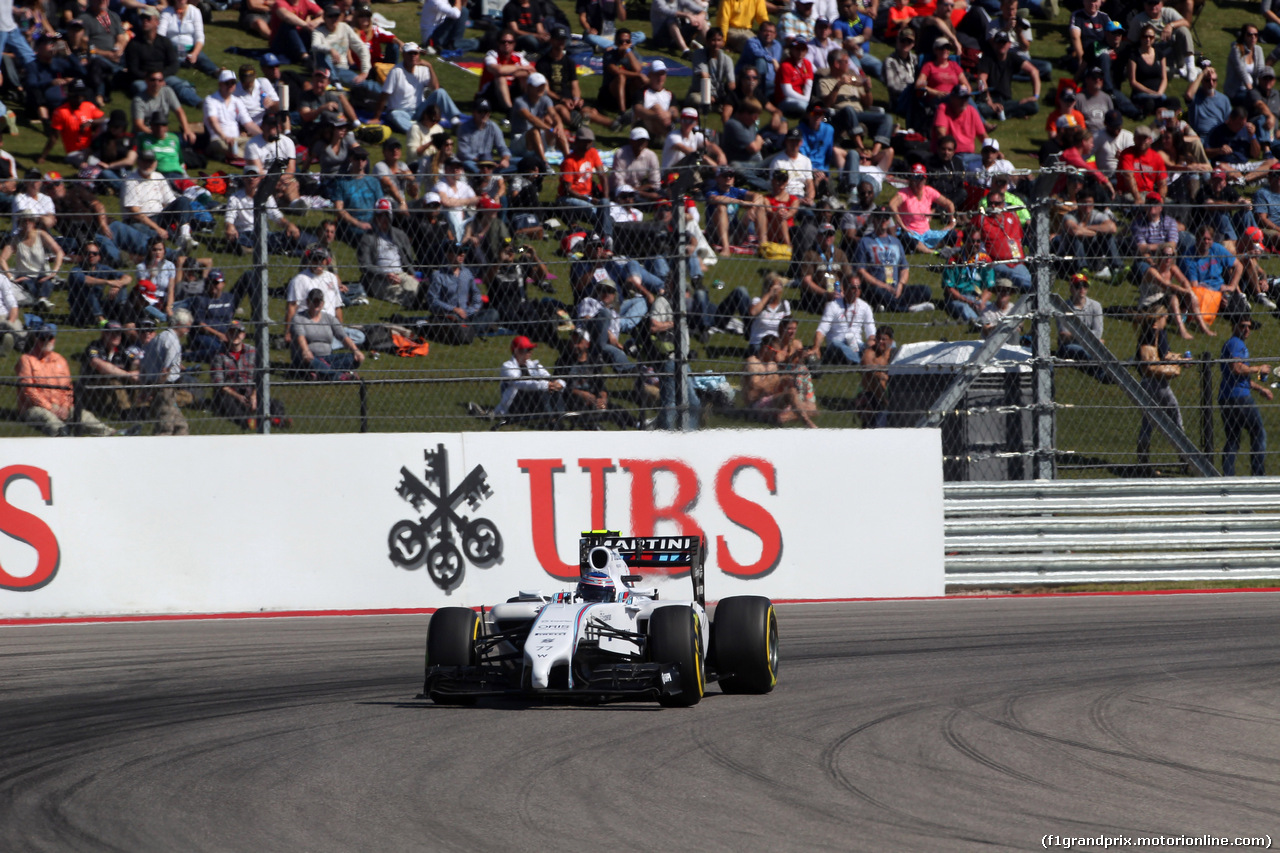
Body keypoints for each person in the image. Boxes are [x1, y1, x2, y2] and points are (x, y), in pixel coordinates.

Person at [15, 324, 114, 436]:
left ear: (54, 339)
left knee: (84, 415)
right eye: (42, 338)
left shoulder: (60, 360)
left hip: (61, 406)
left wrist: (65, 406)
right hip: (35, 407)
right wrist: (49, 407)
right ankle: (62, 434)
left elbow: (68, 387)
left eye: (50, 338)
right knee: (49, 419)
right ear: (36, 339)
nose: (47, 341)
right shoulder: (26, 360)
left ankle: (111, 433)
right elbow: (28, 390)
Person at [1133, 306, 1188, 473]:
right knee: (1175, 418)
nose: (1166, 319)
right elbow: (1160, 359)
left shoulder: (1151, 334)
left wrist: (1180, 359)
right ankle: (1186, 459)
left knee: (1148, 422)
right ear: (1157, 322)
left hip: (1146, 383)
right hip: (1157, 384)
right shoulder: (1153, 334)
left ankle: (1143, 462)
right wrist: (1178, 361)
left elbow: (1166, 354)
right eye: (1164, 317)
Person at [1219, 312, 1271, 477]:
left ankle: (1228, 476)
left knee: (1233, 438)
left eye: (1249, 326)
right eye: (1243, 326)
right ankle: (1258, 474)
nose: (1247, 329)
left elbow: (1240, 377)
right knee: (1258, 431)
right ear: (1233, 326)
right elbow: (1237, 368)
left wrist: (1260, 389)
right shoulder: (1236, 344)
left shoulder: (1232, 344)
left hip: (1227, 397)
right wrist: (1259, 369)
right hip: (1240, 398)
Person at [374, 42, 460, 135]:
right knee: (395, 115)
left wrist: (430, 67)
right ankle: (419, 131)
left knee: (441, 92)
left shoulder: (423, 69)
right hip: (400, 111)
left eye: (415, 53)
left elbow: (435, 88)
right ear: (404, 55)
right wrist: (377, 117)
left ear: (419, 54)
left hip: (419, 110)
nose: (413, 56)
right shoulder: (396, 71)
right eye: (410, 53)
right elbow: (384, 95)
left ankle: (455, 122)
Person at [855, 213, 934, 311]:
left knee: (926, 291)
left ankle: (885, 306)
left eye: (886, 218)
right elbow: (861, 271)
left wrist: (900, 285)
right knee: (876, 292)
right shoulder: (865, 241)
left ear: (889, 221)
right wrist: (883, 285)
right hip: (877, 286)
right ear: (873, 220)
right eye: (880, 218)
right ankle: (908, 308)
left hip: (896, 287)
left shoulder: (895, 242)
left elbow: (904, 268)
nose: (883, 220)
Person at [123, 7, 200, 107]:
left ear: (157, 22)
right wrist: (151, 79)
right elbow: (133, 69)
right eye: (142, 19)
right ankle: (159, 108)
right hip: (143, 79)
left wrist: (161, 78)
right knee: (140, 88)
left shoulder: (165, 42)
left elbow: (174, 64)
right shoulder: (134, 44)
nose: (145, 21)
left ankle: (199, 103)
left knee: (180, 85)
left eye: (148, 18)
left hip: (164, 76)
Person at [424, 242, 497, 344]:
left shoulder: (467, 273)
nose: (462, 255)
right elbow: (432, 301)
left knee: (493, 313)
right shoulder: (438, 275)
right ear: (448, 254)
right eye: (458, 252)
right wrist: (454, 309)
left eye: (464, 252)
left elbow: (476, 293)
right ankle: (469, 329)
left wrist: (474, 308)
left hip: (467, 313)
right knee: (453, 321)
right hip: (449, 315)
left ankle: (466, 329)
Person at [742, 333, 817, 427]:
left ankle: (784, 417)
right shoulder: (753, 363)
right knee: (791, 393)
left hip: (771, 402)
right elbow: (756, 387)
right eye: (775, 352)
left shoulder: (772, 364)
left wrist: (785, 381)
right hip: (756, 405)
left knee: (811, 407)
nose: (777, 355)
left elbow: (774, 386)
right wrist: (780, 381)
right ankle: (808, 424)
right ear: (766, 349)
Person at [357, 198, 420, 307]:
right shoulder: (367, 238)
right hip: (381, 278)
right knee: (401, 294)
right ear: (375, 217)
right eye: (381, 215)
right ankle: (416, 303)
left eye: (387, 215)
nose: (384, 219)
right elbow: (364, 266)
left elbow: (407, 259)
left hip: (401, 274)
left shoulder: (399, 235)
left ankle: (420, 298)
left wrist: (412, 273)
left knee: (417, 288)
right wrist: (385, 274)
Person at [291, 287, 365, 379]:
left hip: (328, 358)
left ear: (323, 303)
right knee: (311, 360)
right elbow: (300, 336)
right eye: (314, 301)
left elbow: (343, 336)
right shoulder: (298, 318)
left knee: (353, 358)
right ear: (307, 302)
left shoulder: (329, 318)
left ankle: (320, 373)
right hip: (307, 358)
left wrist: (356, 350)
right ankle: (340, 376)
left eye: (319, 301)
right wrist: (306, 350)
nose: (316, 304)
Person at [1139, 245, 1210, 339]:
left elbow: (1184, 281)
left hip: (1164, 302)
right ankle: (1182, 331)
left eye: (1171, 255)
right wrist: (1186, 291)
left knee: (1189, 296)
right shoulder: (1152, 271)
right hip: (1149, 304)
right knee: (1173, 297)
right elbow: (1167, 285)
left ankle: (1202, 326)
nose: (1168, 257)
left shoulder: (1172, 268)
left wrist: (1190, 293)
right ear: (1159, 255)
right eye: (1165, 255)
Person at [139, 310, 191, 435]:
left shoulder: (160, 337)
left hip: (159, 385)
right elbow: (165, 370)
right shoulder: (173, 342)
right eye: (187, 327)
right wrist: (154, 390)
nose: (188, 331)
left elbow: (145, 364)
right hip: (164, 388)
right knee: (165, 427)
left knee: (181, 426)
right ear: (179, 324)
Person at [1181, 225, 1243, 329]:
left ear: (1212, 240)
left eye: (1209, 239)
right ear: (1197, 239)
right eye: (1203, 238)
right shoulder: (1189, 256)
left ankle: (1245, 325)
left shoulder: (1217, 248)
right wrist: (1216, 298)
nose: (1206, 241)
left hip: (1221, 289)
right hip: (1203, 292)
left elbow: (1239, 266)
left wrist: (1231, 287)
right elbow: (1195, 285)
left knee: (1240, 308)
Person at [491, 334, 564, 423]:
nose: (531, 352)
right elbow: (518, 383)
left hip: (532, 399)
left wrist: (557, 383)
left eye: (531, 350)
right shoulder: (507, 366)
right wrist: (544, 385)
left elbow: (548, 377)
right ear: (517, 351)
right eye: (527, 350)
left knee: (553, 389)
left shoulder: (533, 364)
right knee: (543, 390)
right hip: (515, 402)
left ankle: (561, 417)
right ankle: (552, 419)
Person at [888, 162, 956, 254]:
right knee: (906, 238)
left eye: (921, 178)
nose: (918, 182)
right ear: (910, 179)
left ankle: (926, 248)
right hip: (910, 232)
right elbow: (892, 205)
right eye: (915, 178)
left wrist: (952, 222)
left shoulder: (928, 191)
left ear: (925, 179)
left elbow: (949, 204)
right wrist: (902, 225)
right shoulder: (905, 193)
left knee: (952, 234)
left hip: (926, 233)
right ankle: (931, 251)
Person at [974, 29, 1040, 121]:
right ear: (994, 44)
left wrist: (1035, 96)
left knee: (1033, 106)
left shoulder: (1012, 58)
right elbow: (981, 81)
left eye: (1004, 42)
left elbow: (1034, 71)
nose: (1001, 45)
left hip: (1005, 101)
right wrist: (990, 103)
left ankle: (1003, 112)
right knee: (981, 108)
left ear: (1009, 44)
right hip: (989, 99)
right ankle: (1012, 113)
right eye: (999, 42)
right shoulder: (986, 59)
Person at [80, 322, 139, 421]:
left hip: (112, 392)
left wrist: (136, 372)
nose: (116, 336)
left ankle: (141, 408)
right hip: (92, 391)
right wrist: (128, 375)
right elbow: (97, 364)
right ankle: (126, 412)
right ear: (104, 334)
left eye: (118, 333)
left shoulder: (121, 350)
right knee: (112, 380)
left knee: (135, 371)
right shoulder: (95, 346)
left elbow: (136, 363)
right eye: (112, 333)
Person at [811, 275, 874, 364]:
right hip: (837, 342)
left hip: (856, 344)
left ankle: (856, 358)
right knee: (836, 344)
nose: (856, 291)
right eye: (853, 288)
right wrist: (816, 347)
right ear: (845, 288)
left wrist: (871, 343)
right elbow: (821, 330)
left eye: (859, 287)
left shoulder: (865, 307)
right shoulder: (833, 306)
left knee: (887, 343)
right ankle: (860, 360)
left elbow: (871, 332)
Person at [67, 240, 131, 327]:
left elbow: (127, 277)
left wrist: (119, 285)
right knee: (86, 287)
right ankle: (100, 320)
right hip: (81, 310)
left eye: (94, 253)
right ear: (82, 256)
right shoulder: (76, 270)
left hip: (100, 305)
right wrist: (108, 282)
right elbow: (86, 280)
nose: (91, 255)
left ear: (99, 257)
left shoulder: (102, 268)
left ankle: (123, 317)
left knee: (122, 287)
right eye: (87, 253)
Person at [158, 0, 218, 78]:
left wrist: (195, 53)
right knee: (168, 60)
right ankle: (183, 63)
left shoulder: (195, 11)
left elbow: (199, 36)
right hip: (172, 49)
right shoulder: (167, 12)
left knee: (202, 57)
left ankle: (216, 72)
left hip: (190, 48)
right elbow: (160, 34)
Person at [855, 326, 893, 428]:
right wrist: (882, 375)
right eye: (878, 339)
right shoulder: (869, 353)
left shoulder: (893, 354)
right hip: (871, 395)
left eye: (883, 339)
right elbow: (870, 370)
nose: (880, 342)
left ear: (891, 341)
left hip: (889, 394)